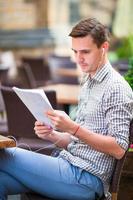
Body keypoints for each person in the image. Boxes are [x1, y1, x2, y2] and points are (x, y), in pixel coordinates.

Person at [0, 18, 133, 200]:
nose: (79, 59)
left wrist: (72, 128)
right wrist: (52, 135)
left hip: (86, 179)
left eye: (85, 52)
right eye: (75, 52)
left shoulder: (116, 88)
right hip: (69, 165)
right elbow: (77, 143)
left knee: (4, 155)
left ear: (104, 48)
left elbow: (119, 148)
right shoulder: (88, 81)